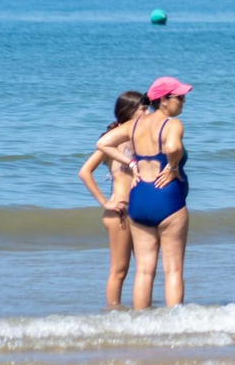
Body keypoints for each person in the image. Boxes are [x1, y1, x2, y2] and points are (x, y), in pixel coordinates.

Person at [98, 76, 191, 309]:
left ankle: (141, 326)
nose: (183, 101)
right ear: (164, 100)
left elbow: (103, 144)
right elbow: (172, 147)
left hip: (139, 199)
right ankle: (176, 326)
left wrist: (130, 163)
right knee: (173, 269)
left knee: (144, 271)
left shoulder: (134, 125)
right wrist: (172, 166)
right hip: (167, 198)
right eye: (179, 97)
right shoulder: (173, 125)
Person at [79, 91, 147, 307]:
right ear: (129, 112)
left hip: (142, 210)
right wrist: (105, 202)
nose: (148, 112)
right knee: (120, 270)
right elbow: (84, 172)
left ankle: (143, 311)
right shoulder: (112, 141)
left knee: (146, 267)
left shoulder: (144, 138)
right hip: (120, 211)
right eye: (143, 109)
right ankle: (114, 315)